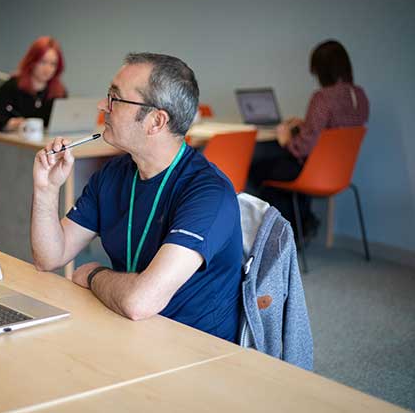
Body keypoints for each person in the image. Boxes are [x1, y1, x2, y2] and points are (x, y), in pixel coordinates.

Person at [31, 53, 243, 342]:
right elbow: (49, 257)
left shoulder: (209, 194)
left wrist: (94, 275)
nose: (101, 106)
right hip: (126, 326)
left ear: (156, 121)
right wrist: (46, 190)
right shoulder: (114, 174)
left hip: (192, 351)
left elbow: (140, 302)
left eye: (114, 99)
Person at [249, 40, 370, 238]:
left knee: (258, 168)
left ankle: (283, 232)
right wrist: (306, 124)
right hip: (339, 171)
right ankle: (301, 224)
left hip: (313, 170)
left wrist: (286, 138)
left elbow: (301, 148)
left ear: (322, 70)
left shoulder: (323, 97)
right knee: (279, 169)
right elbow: (336, 129)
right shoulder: (359, 95)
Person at [0, 36, 67, 132]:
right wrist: (15, 124)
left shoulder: (59, 91)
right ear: (32, 62)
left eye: (53, 64)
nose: (48, 69)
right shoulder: (11, 87)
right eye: (43, 62)